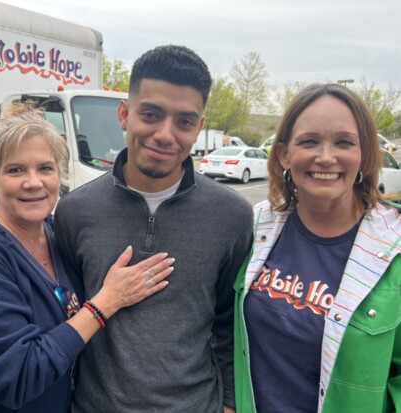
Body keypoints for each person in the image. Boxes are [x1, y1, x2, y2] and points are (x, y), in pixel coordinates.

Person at [0, 103, 174, 412]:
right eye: (15, 169)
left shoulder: (55, 234)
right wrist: (107, 301)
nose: (33, 182)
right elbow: (19, 375)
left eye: (45, 168)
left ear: (58, 175)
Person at [55, 45, 253, 412]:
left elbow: (229, 320)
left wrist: (228, 403)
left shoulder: (233, 216)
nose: (165, 134)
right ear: (124, 114)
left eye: (184, 121)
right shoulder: (74, 212)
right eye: (151, 114)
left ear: (199, 128)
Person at [233, 83, 401, 412]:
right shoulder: (255, 230)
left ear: (364, 153)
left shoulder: (393, 252)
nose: (325, 157)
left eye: (343, 142)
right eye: (309, 142)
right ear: (284, 154)